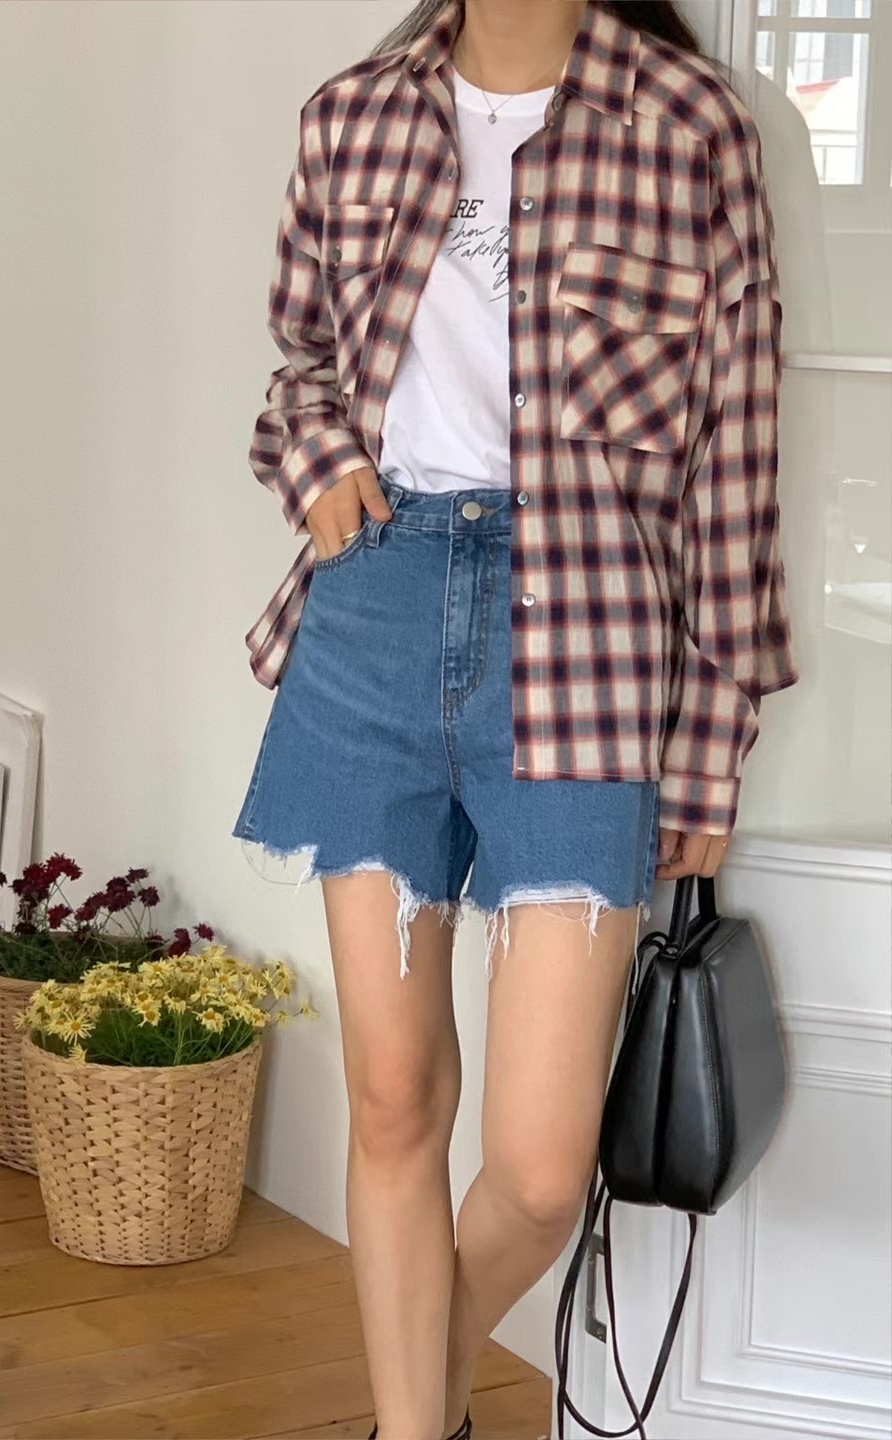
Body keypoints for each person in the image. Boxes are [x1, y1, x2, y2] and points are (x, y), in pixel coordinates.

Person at [233, 1, 799, 1436]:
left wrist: (712, 736)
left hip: (590, 638)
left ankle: (411, 1397)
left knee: (543, 1169)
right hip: (375, 612)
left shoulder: (689, 126)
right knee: (392, 1097)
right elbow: (299, 364)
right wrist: (318, 460)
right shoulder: (353, 113)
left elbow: (735, 454)